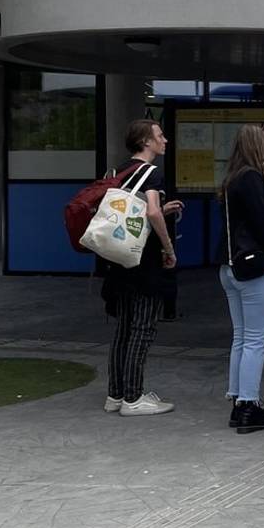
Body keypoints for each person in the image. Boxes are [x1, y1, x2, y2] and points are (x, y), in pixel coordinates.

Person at [100, 119, 183, 417]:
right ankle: (134, 397)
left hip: (118, 257)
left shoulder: (117, 170)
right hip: (144, 260)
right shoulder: (152, 173)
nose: (165, 140)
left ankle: (116, 394)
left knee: (123, 328)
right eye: (160, 135)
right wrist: (168, 248)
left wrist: (163, 209)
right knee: (143, 328)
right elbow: (150, 211)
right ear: (146, 142)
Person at [217, 124, 264, 434]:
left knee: (242, 336)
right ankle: (248, 404)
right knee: (258, 338)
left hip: (230, 266)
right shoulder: (253, 178)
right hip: (254, 267)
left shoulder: (232, 178)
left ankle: (238, 401)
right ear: (260, 147)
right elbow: (263, 227)